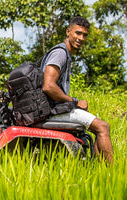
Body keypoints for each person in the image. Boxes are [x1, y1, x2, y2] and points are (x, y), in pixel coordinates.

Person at [41, 16, 114, 164]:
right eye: (77, 33)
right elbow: (48, 86)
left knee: (98, 128)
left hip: (53, 109)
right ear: (68, 32)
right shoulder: (60, 53)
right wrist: (74, 102)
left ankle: (99, 169)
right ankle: (112, 174)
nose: (81, 38)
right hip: (48, 111)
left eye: (84, 35)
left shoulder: (65, 55)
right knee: (103, 127)